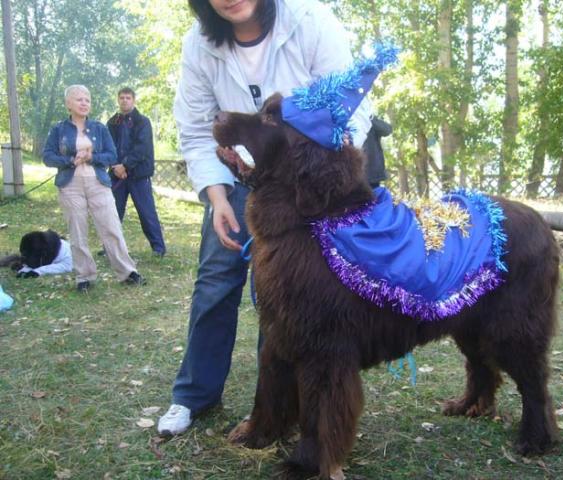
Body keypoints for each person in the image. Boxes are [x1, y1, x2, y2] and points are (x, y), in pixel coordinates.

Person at [158, 0, 371, 435]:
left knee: (283, 296)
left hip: (306, 183)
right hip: (235, 179)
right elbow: (197, 128)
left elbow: (347, 110)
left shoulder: (311, 21)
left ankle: (275, 410)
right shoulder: (198, 45)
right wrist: (217, 197)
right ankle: (193, 394)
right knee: (215, 280)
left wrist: (314, 177)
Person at [42, 84, 146, 292]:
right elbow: (48, 156)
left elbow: (112, 155)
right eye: (79, 99)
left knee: (111, 227)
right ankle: (84, 277)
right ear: (68, 104)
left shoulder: (99, 128)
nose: (84, 103)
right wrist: (70, 160)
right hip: (70, 185)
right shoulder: (59, 129)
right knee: (78, 231)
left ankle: (127, 272)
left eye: (87, 100)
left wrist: (91, 157)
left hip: (98, 182)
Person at [107, 88, 166, 257]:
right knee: (113, 212)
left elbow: (142, 148)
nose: (125, 100)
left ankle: (158, 248)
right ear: (118, 100)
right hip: (117, 175)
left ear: (133, 100)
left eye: (128, 98)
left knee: (147, 212)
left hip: (138, 175)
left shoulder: (143, 122)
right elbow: (108, 146)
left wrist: (125, 166)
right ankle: (110, 248)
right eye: (122, 98)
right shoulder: (112, 122)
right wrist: (115, 167)